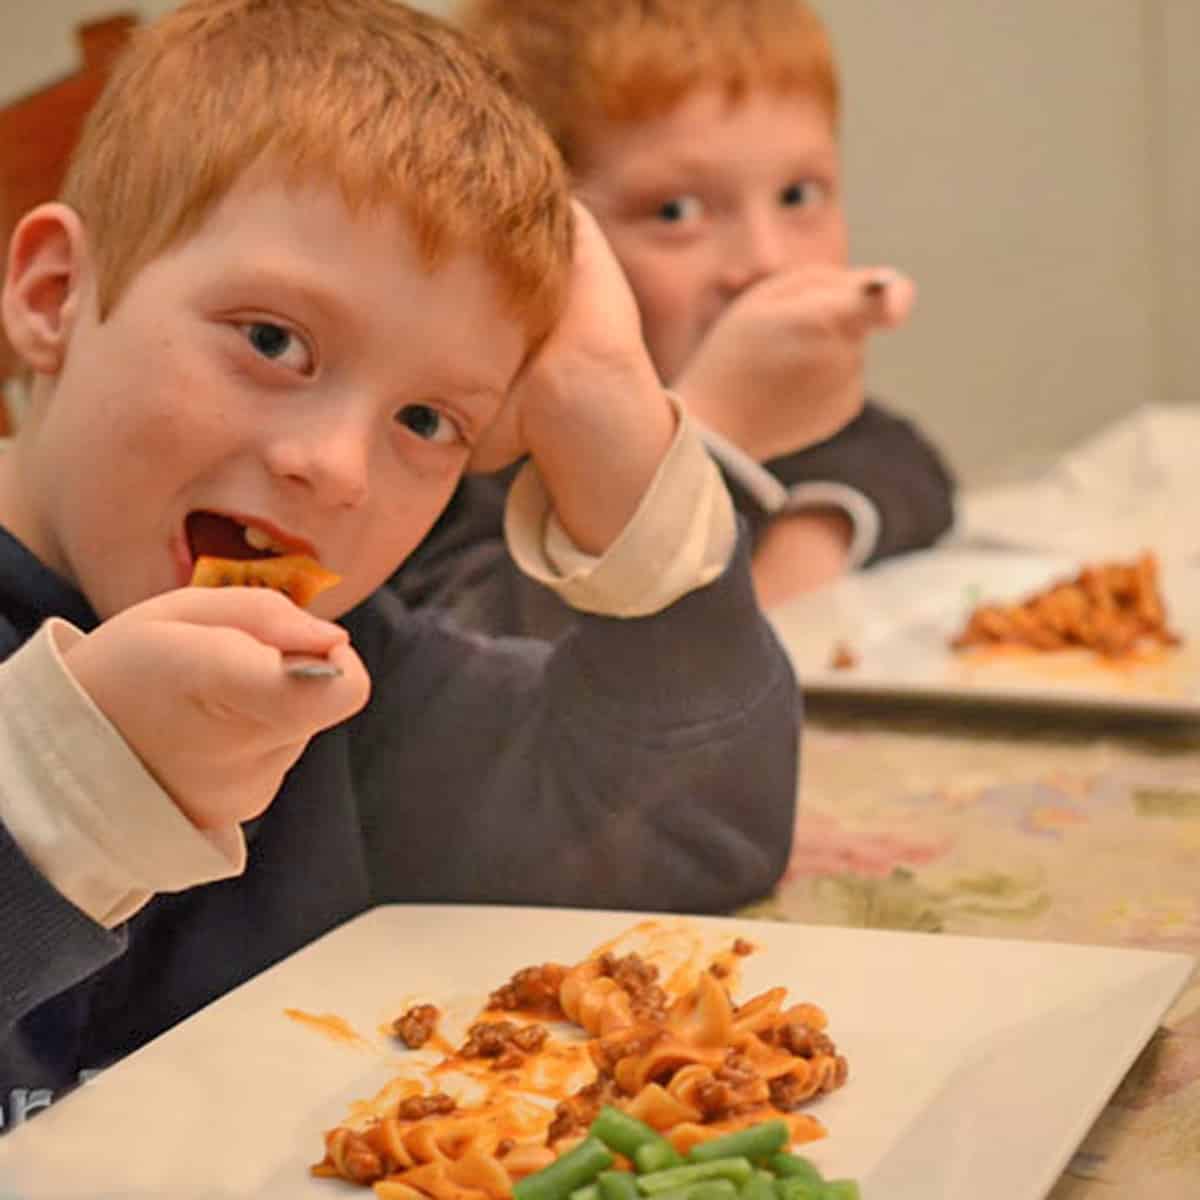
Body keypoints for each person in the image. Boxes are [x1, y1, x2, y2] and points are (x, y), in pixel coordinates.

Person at [0, 0, 800, 1127]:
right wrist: (66, 791)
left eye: (427, 420)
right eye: (274, 341)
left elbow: (688, 833)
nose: (337, 470)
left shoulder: (346, 692)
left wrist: (608, 409)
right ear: (52, 297)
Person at [393, 0, 956, 633]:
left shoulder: (814, 425)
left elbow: (904, 464)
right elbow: (494, 654)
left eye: (798, 196)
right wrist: (709, 437)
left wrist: (810, 537)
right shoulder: (467, 448)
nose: (766, 261)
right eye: (676, 212)